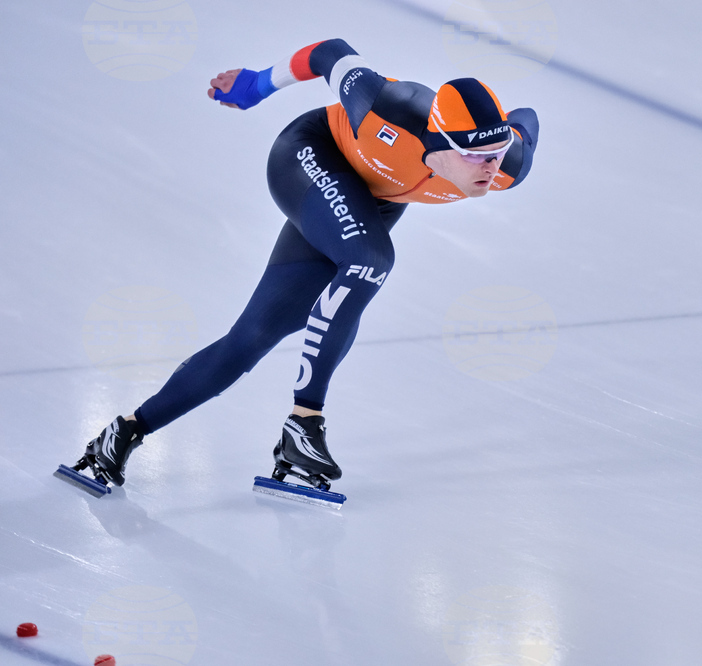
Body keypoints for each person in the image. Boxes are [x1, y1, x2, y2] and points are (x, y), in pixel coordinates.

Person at [66, 38, 539, 494]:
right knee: (369, 260)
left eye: (495, 154)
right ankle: (305, 423)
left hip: (370, 200)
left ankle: (122, 434)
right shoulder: (386, 106)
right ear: (436, 145)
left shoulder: (507, 164)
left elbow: (526, 122)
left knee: (256, 334)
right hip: (311, 155)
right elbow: (329, 51)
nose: (490, 168)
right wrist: (255, 85)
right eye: (475, 156)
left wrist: (508, 133)